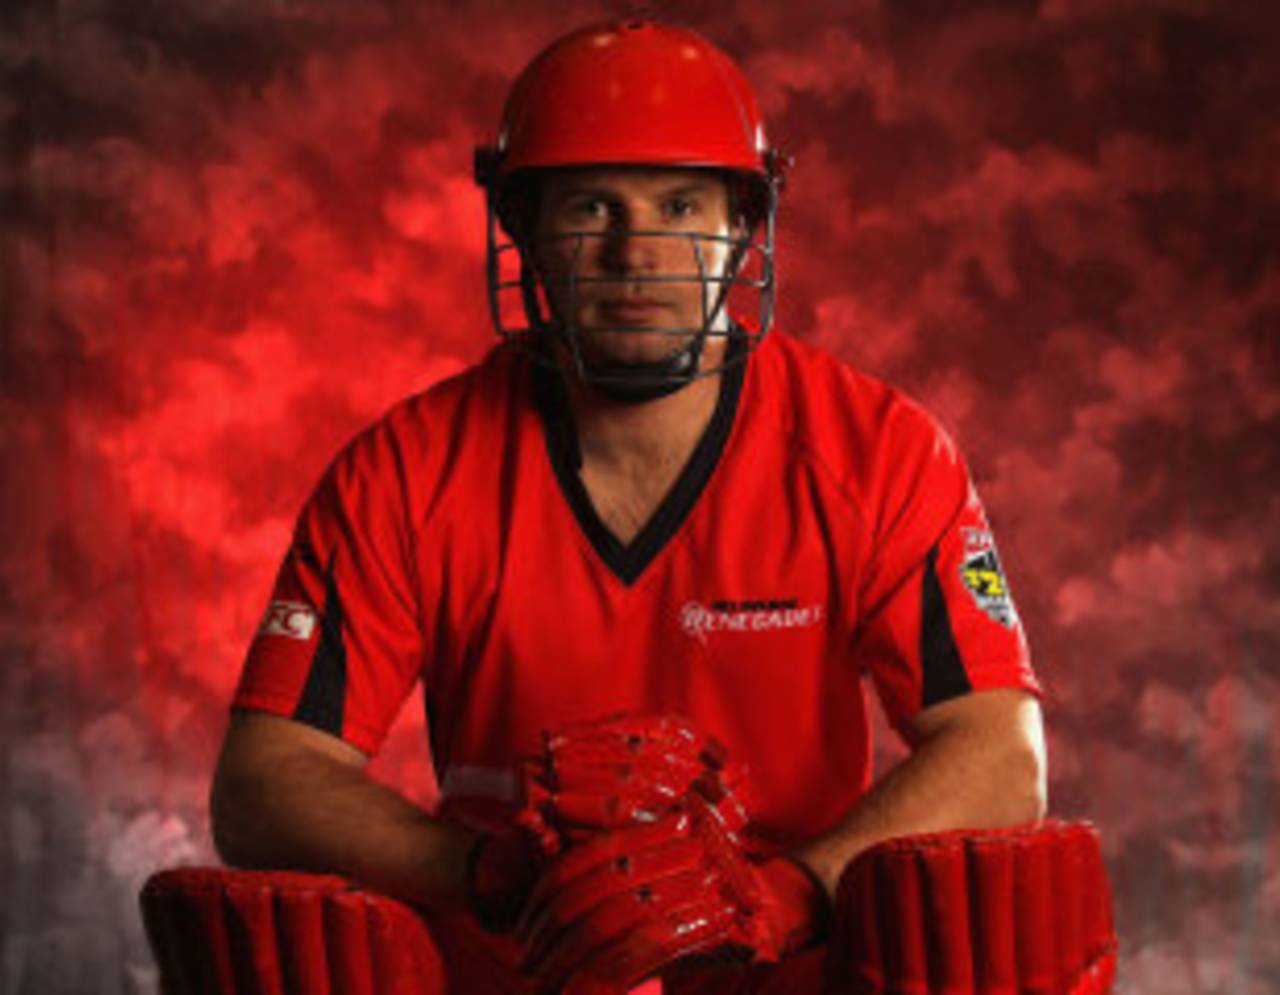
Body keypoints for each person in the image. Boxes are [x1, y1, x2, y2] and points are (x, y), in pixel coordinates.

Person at [210, 20, 1046, 995]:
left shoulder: (875, 449)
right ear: (520, 223)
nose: (636, 250)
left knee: (1028, 909)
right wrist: (485, 874)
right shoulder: (404, 470)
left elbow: (998, 754)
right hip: (522, 968)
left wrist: (790, 892)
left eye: (681, 203)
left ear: (743, 223)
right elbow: (262, 778)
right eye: (591, 205)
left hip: (785, 969)